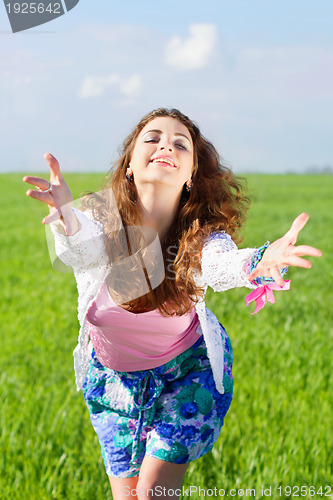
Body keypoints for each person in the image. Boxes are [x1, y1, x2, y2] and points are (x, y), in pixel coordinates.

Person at [23, 108, 322, 500]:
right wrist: (64, 215)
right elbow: (82, 247)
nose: (166, 144)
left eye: (180, 143)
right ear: (130, 163)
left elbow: (221, 263)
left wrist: (258, 262)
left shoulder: (199, 237)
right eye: (153, 138)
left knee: (151, 494)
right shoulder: (100, 217)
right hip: (114, 384)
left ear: (191, 174)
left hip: (186, 375)